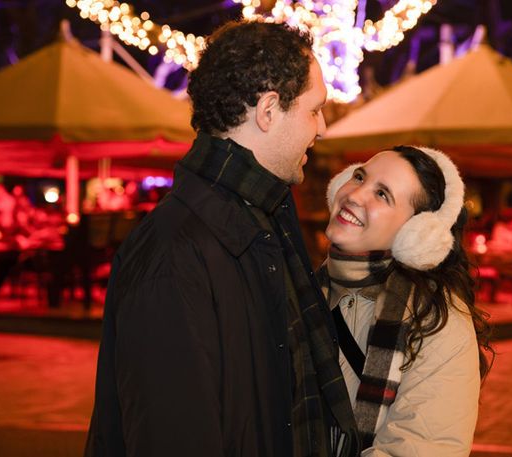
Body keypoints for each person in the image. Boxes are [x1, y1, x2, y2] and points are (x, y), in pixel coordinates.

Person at [85, 20, 359, 457]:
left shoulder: (264, 221)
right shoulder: (173, 254)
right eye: (314, 109)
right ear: (269, 110)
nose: (322, 127)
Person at [321, 146, 493, 456]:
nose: (355, 195)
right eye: (359, 177)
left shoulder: (437, 320)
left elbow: (420, 447)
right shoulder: (298, 287)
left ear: (415, 233)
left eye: (383, 195)